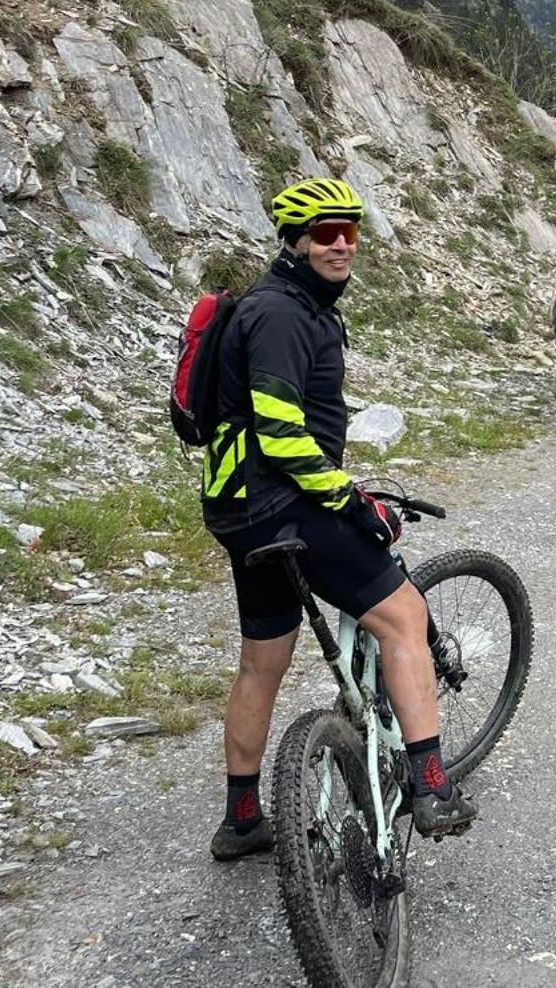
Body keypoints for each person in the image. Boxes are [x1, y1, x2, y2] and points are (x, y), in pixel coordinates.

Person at [202, 177, 477, 860]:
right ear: (294, 241)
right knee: (403, 617)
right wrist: (355, 502)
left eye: (351, 231)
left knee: (262, 661)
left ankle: (242, 820)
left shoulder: (288, 305)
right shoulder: (282, 314)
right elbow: (282, 435)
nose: (341, 244)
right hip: (278, 506)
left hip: (240, 511)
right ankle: (434, 787)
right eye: (325, 233)